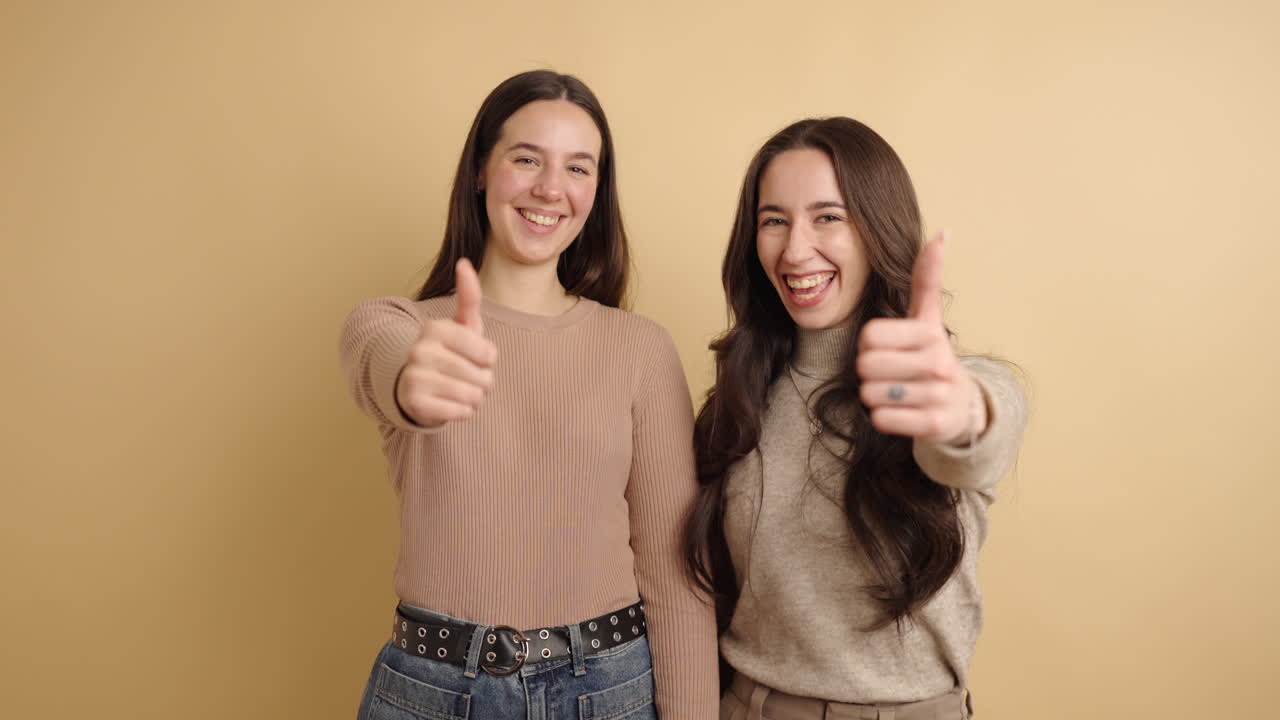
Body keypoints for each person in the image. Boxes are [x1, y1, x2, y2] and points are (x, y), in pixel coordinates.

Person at [341, 70, 717, 720]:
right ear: (482, 169)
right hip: (432, 692)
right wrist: (411, 381)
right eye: (526, 159)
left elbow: (675, 573)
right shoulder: (413, 330)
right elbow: (374, 344)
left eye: (578, 168)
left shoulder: (640, 350)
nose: (551, 188)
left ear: (596, 192)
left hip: (608, 689)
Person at [684, 117, 1027, 720]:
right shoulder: (740, 398)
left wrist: (957, 411)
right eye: (773, 221)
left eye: (828, 217)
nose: (794, 250)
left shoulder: (947, 384)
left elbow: (977, 431)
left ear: (877, 229)